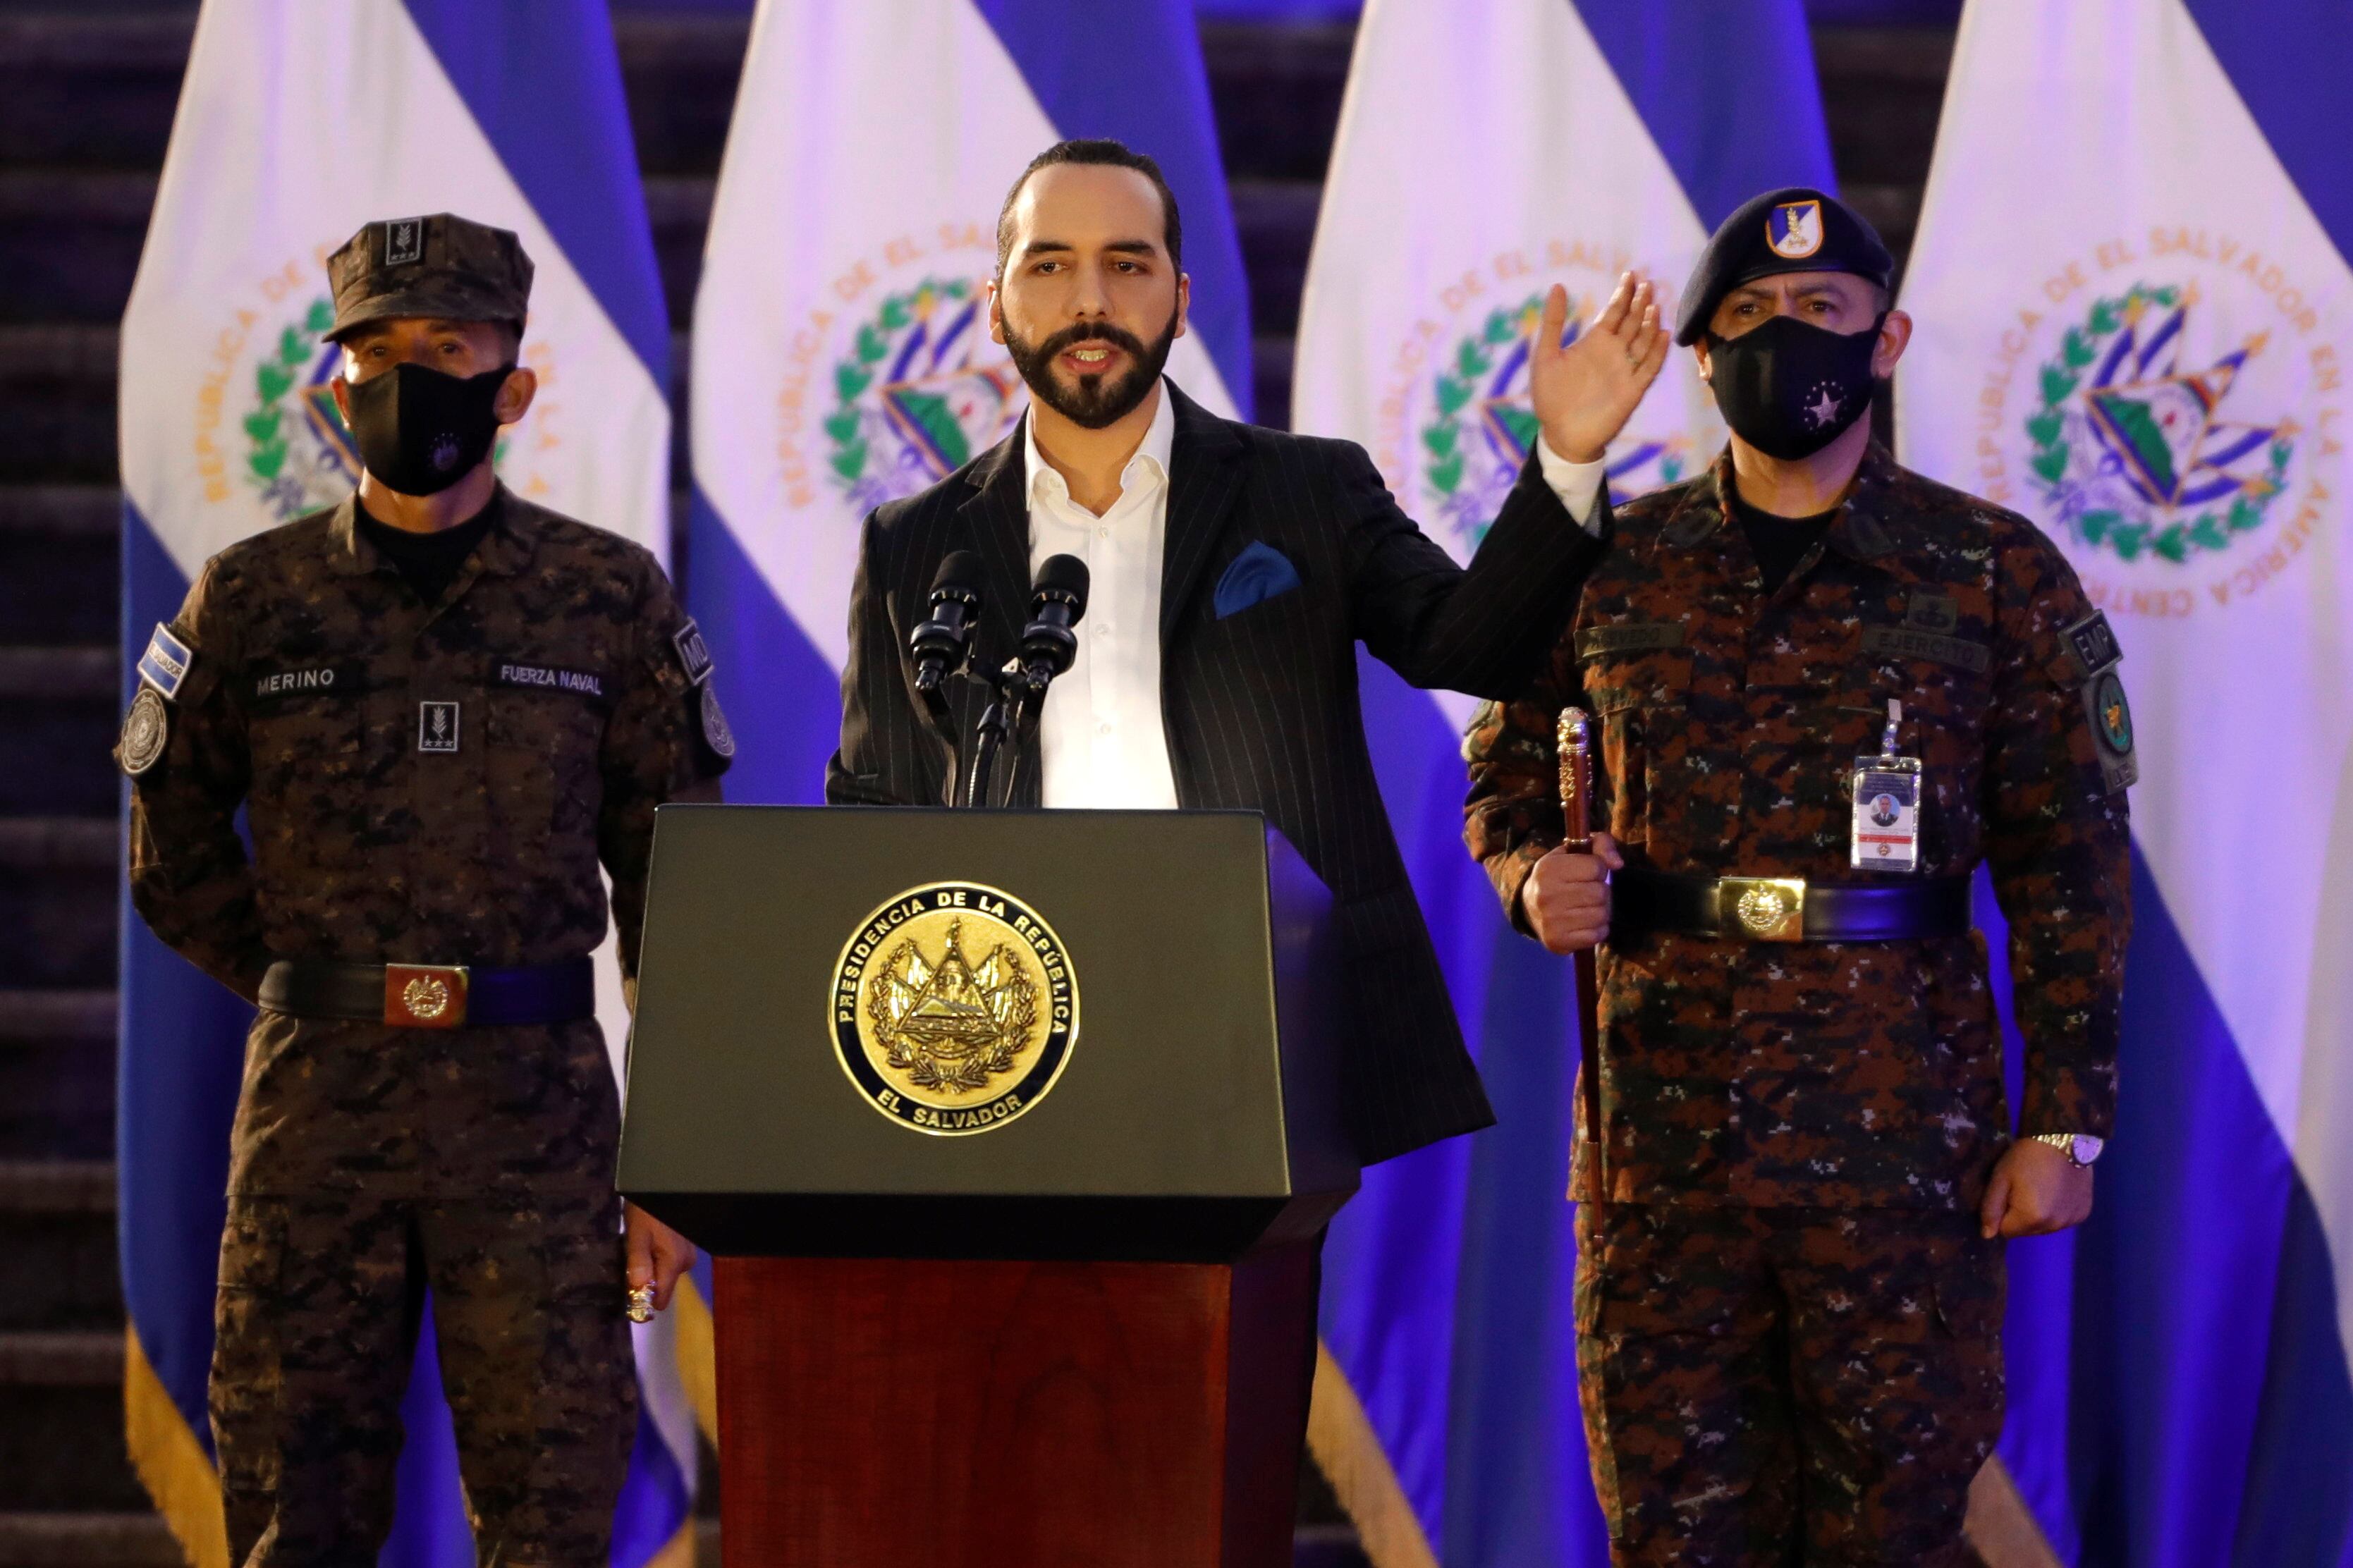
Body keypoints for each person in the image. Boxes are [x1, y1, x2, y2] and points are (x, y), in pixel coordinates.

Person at [1463, 188, 2134, 1565]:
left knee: (1887, 1530)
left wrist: (2066, 1125)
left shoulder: (1990, 572)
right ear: (1700, 358)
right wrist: (1529, 874)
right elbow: (1506, 762)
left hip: (1901, 1160)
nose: (1788, 340)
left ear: (1885, 341)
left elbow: (2070, 861)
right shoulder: (1610, 564)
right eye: (1750, 317)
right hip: (1661, 1164)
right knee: (1672, 1535)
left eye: (1822, 312)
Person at [829, 137, 1669, 1165]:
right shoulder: (914, 541)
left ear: (1178, 300)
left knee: (1237, 1328)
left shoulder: (1305, 492)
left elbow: (1472, 648)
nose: (1088, 299)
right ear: (995, 301)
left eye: (1126, 264)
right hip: (1000, 1048)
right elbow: (869, 816)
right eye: (1048, 265)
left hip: (1264, 1024)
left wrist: (1570, 455)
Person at [118, 212, 722, 1564]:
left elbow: (682, 890)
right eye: (376, 351)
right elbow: (169, 841)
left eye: (447, 346)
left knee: (555, 1511)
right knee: (296, 1508)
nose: (407, 379)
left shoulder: (604, 598)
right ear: (334, 387)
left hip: (539, 1109)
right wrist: (316, 974)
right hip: (317, 1113)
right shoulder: (253, 600)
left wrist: (673, 1168)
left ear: (513, 384)